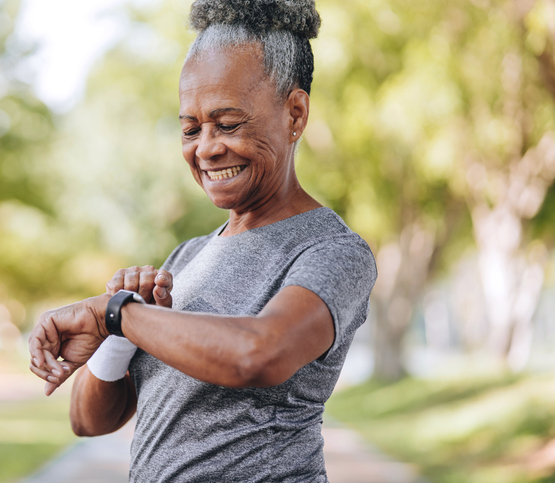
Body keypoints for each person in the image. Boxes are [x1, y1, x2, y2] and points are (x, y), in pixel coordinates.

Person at [28, 0, 377, 481]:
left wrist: (116, 315)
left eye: (228, 124)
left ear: (295, 114)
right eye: (191, 129)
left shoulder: (332, 251)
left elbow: (259, 354)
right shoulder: (187, 258)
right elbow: (87, 420)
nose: (207, 148)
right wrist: (119, 327)